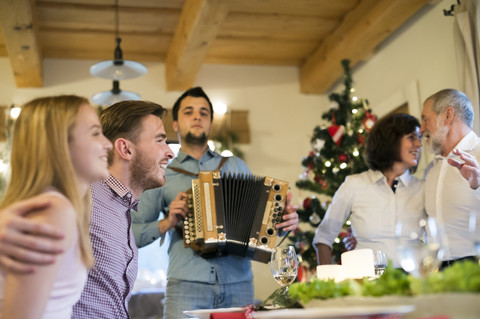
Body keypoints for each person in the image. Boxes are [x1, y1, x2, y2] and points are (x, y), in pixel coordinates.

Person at [132, 87, 299, 319]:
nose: (197, 116)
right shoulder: (163, 173)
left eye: (204, 112)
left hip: (238, 284)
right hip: (185, 285)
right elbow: (133, 233)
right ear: (176, 124)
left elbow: (261, 233)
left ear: (210, 124)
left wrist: (283, 222)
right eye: (189, 112)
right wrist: (167, 222)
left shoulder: (235, 166)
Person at [0, 95, 112, 318]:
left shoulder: (59, 207)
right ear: (59, 143)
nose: (107, 143)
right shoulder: (53, 210)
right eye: (95, 133)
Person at [72, 100, 175, 318]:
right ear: (125, 149)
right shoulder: (82, 199)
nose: (170, 153)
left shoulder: (122, 209)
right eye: (160, 140)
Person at [313, 113, 425, 268]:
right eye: (412, 137)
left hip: (413, 284)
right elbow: (323, 237)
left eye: (419, 137)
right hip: (367, 283)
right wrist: (325, 281)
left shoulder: (422, 189)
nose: (419, 144)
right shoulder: (354, 185)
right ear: (391, 139)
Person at [420, 88, 480, 268]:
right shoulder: (430, 170)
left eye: (425, 119)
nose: (421, 129)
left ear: (448, 115)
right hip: (438, 271)